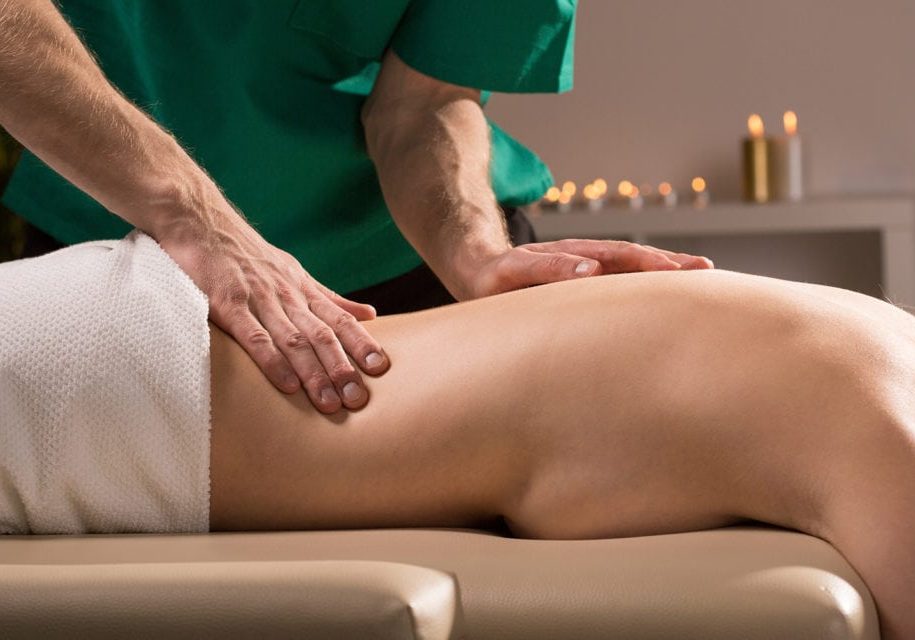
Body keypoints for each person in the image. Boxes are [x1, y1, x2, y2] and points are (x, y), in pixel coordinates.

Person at [0, 231, 912, 639]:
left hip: (103, 340)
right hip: (100, 359)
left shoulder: (863, 357)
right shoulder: (868, 397)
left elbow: (426, 103)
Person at [0, 0, 714, 414]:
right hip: (114, 251)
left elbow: (421, 106)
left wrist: (476, 256)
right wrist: (197, 223)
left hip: (401, 267)